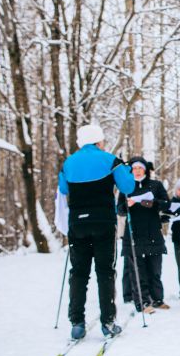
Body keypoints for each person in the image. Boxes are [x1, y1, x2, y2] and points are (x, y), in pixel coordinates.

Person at [58, 124, 135, 339]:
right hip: (103, 223)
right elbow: (128, 187)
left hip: (78, 224)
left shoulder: (69, 163)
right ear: (98, 141)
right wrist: (125, 169)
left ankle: (77, 322)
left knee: (79, 272)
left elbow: (63, 189)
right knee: (105, 272)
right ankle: (108, 322)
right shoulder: (109, 160)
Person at [117, 156, 171, 313]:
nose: (137, 171)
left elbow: (167, 205)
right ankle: (142, 302)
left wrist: (149, 203)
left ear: (145, 170)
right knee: (137, 271)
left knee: (155, 269)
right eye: (134, 168)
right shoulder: (126, 187)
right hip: (134, 233)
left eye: (140, 168)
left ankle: (157, 299)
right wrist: (127, 205)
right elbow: (119, 209)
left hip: (153, 231)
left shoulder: (155, 185)